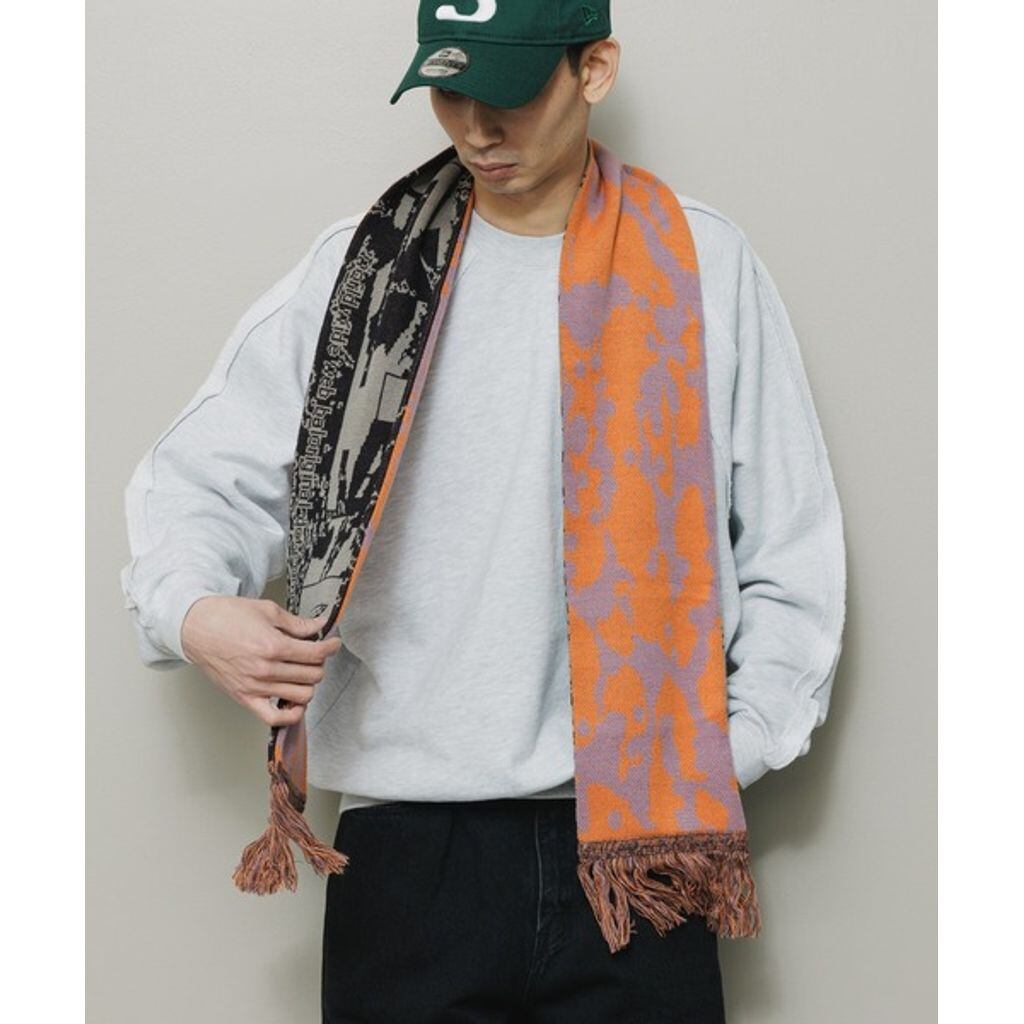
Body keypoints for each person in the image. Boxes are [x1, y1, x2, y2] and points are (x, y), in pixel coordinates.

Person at [120, 1, 846, 1020]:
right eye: (449, 92)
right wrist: (194, 613)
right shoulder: (363, 273)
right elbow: (195, 480)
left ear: (594, 70)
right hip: (410, 850)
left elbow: (790, 543)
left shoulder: (700, 262)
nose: (475, 128)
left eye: (507, 92)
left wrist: (736, 747)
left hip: (647, 837)